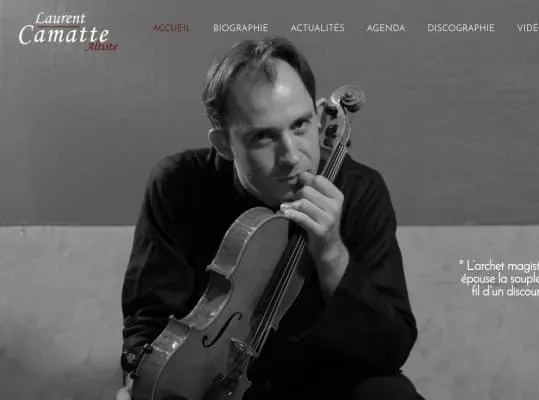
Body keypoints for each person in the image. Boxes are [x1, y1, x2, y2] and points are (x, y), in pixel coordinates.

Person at [117, 36, 424, 400]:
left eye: (300, 125)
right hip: (215, 387)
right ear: (223, 143)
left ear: (318, 115)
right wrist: (142, 379)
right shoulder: (177, 184)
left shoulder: (359, 189)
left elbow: (390, 348)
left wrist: (331, 253)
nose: (292, 156)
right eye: (263, 137)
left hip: (323, 387)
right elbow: (149, 320)